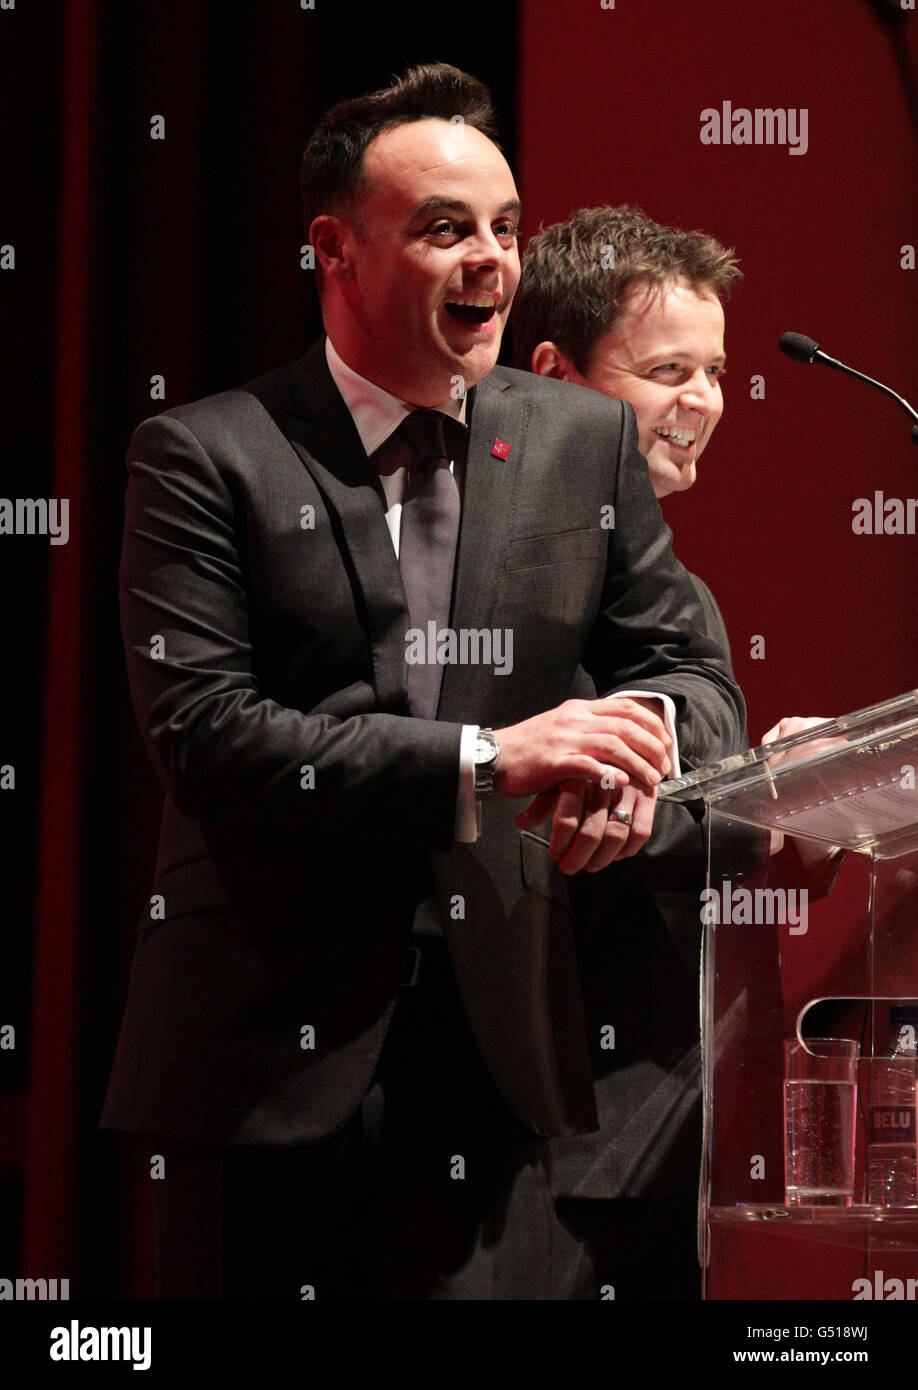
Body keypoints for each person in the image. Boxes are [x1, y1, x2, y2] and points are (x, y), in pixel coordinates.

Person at [102, 69, 745, 1301]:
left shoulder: (577, 440)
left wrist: (636, 743)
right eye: (447, 228)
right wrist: (496, 760)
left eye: (507, 228)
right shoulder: (205, 454)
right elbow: (206, 734)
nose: (493, 260)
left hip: (506, 1045)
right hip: (265, 1071)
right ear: (334, 249)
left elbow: (691, 672)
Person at [514, 205, 840, 1297]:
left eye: (714, 371)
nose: (703, 401)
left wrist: (792, 791)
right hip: (539, 1115)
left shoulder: (676, 592)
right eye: (667, 370)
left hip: (656, 1113)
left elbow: (684, 800)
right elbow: (571, 808)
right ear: (554, 375)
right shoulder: (498, 577)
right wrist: (760, 800)